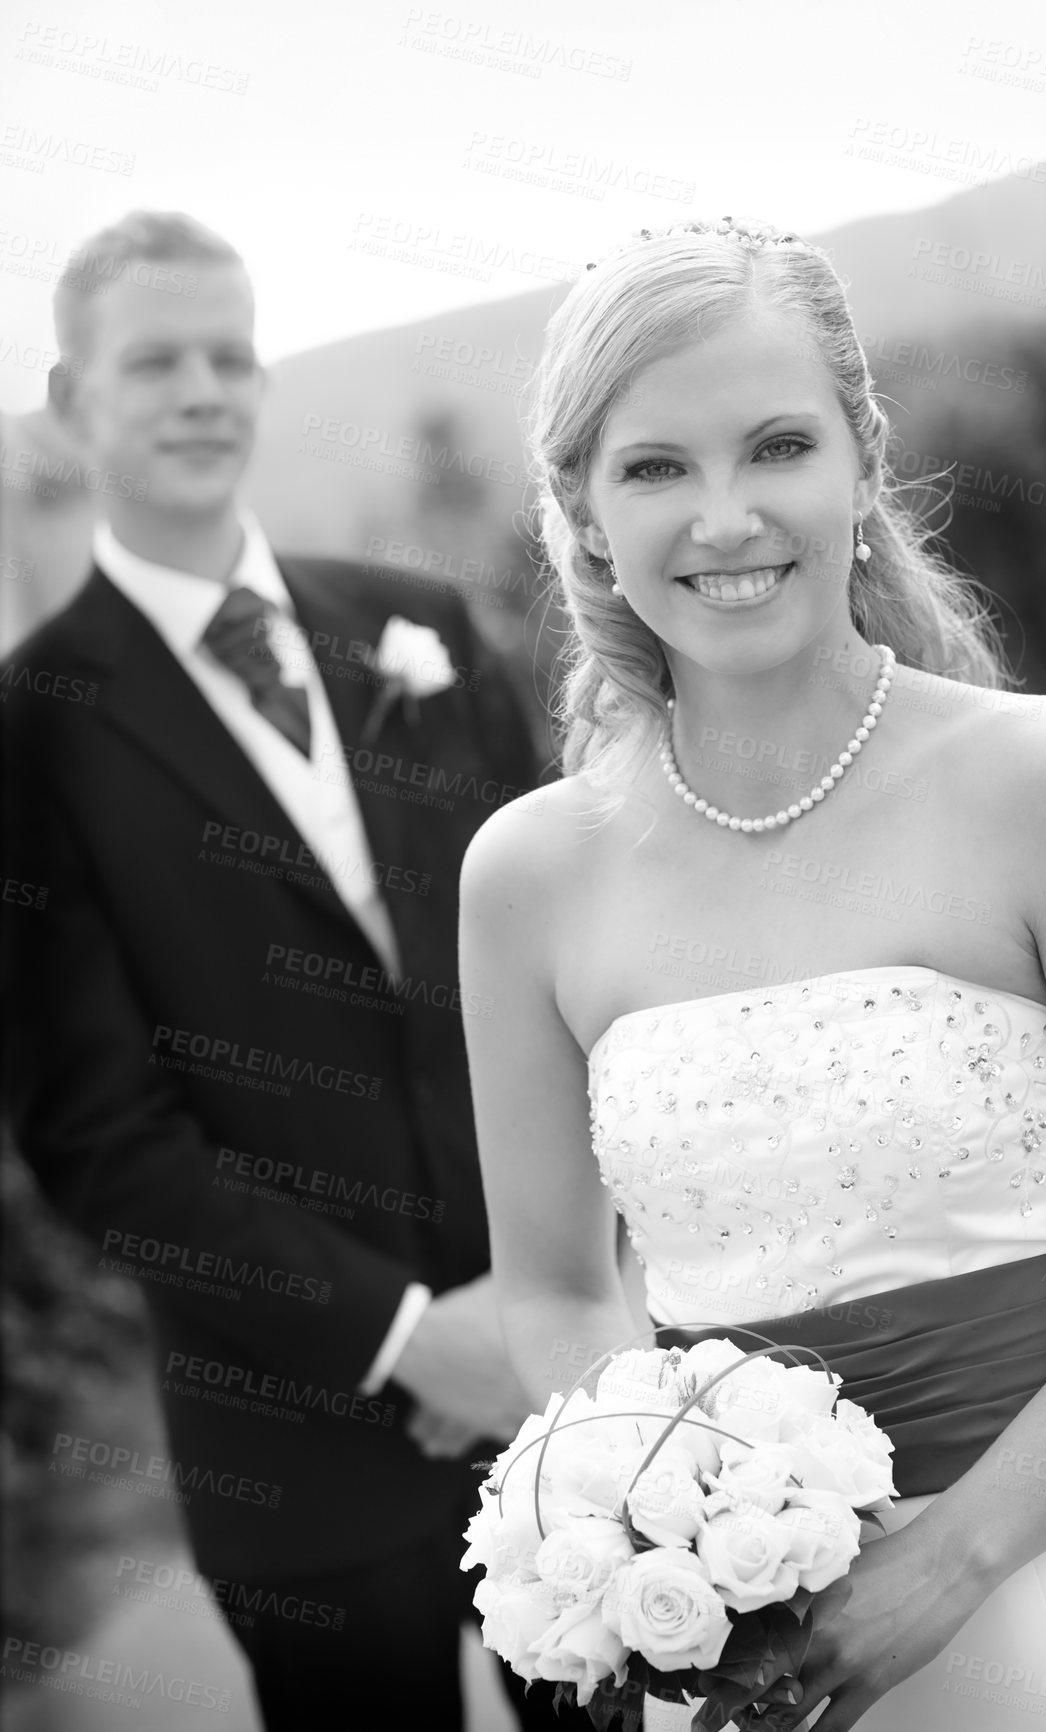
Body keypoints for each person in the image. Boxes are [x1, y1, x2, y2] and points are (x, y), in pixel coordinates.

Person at [459, 217, 1046, 1729]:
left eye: (776, 446)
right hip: (741, 1659)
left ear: (859, 461)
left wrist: (950, 1567)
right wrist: (682, 1535)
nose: (724, 518)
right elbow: (558, 1295)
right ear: (579, 513)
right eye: (654, 468)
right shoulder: (524, 876)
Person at [0, 209, 584, 1730]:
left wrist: (562, 1296)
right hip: (298, 1455)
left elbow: (561, 975)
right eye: (155, 362)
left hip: (567, 1376)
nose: (203, 390)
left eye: (230, 356)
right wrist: (403, 1338)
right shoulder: (35, 728)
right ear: (74, 403)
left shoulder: (421, 630)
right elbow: (99, 1141)